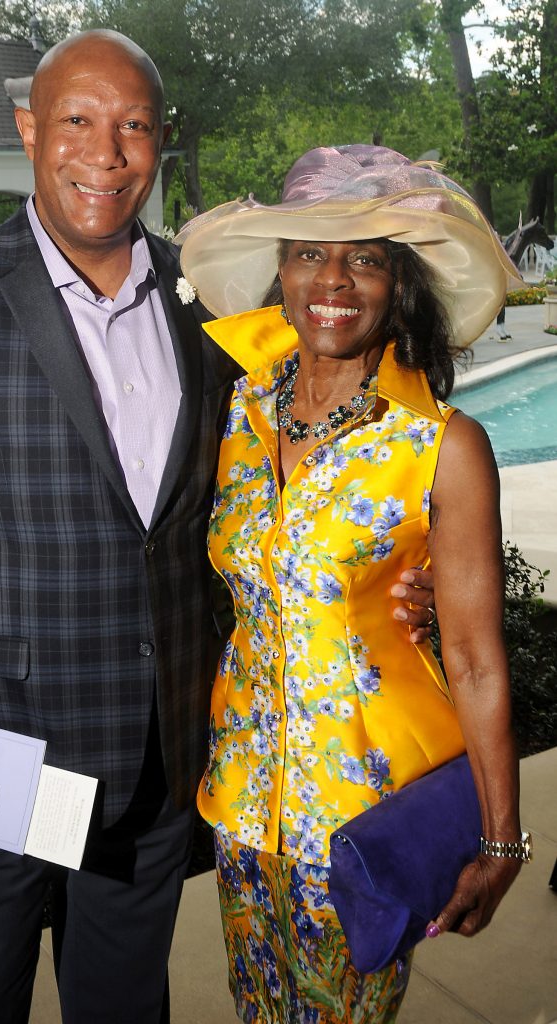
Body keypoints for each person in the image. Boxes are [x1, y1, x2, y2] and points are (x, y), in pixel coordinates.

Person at [0, 33, 436, 1024]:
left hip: (158, 765)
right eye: (76, 121)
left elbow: (294, 471)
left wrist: (393, 574)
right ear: (30, 130)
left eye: (132, 129)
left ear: (159, 142)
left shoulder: (212, 305)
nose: (104, 154)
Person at [177, 145, 530, 1024]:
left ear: (396, 284)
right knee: (255, 1008)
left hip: (363, 823)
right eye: (308, 253)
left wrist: (499, 838)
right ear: (280, 273)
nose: (332, 279)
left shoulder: (441, 448)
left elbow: (477, 657)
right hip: (240, 799)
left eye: (364, 258)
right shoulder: (235, 411)